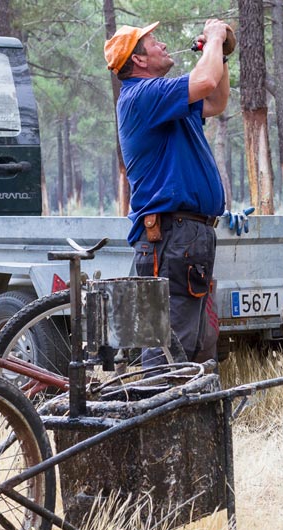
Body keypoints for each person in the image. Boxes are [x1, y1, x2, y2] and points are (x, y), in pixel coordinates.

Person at [104, 20, 231, 362]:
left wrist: (220, 54)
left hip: (187, 236)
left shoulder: (165, 100)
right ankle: (158, 411)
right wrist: (216, 38)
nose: (162, 45)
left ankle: (186, 413)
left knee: (194, 344)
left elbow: (216, 99)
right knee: (169, 345)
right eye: (154, 41)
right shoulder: (143, 96)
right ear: (140, 60)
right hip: (172, 236)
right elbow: (204, 80)